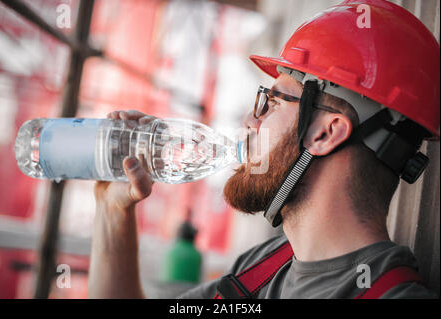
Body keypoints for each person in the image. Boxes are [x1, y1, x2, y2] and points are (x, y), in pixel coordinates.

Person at [88, 0, 439, 299]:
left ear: (326, 133)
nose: (248, 120)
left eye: (270, 102)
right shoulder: (263, 270)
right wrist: (112, 211)